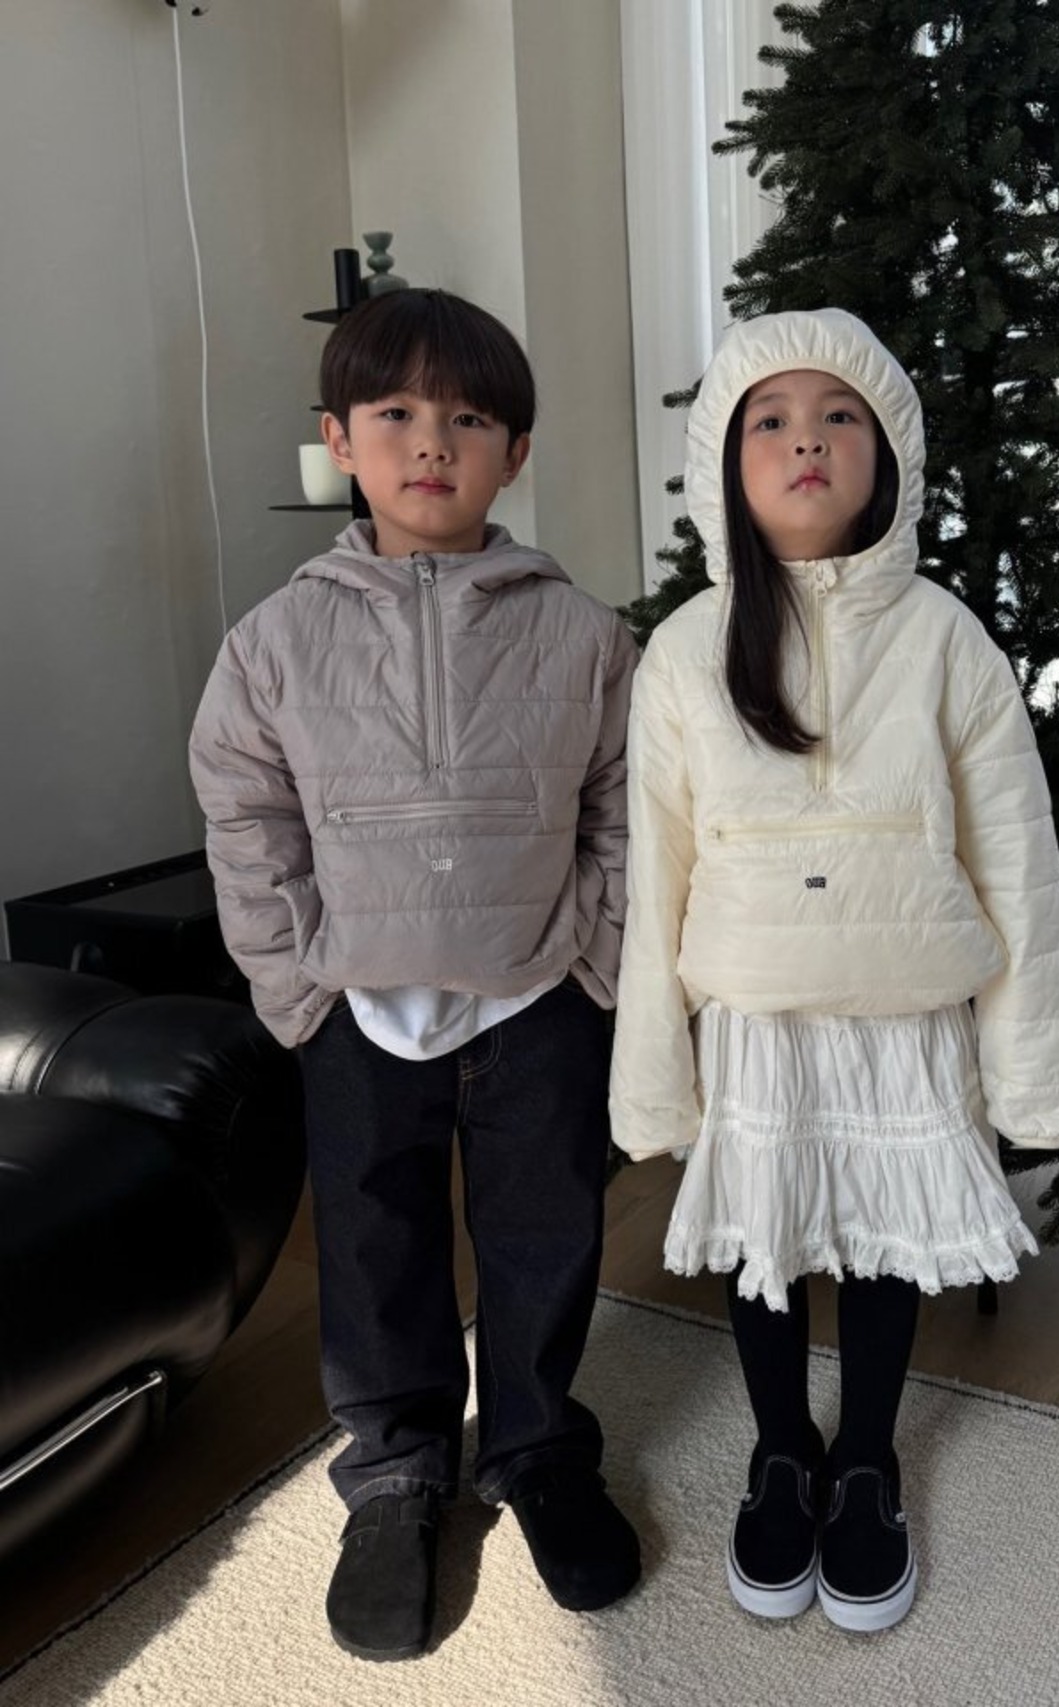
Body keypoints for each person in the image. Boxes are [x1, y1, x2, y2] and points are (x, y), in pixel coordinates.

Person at [610, 308, 1059, 1634]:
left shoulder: (946, 639)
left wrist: (1034, 1075)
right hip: (755, 1016)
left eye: (838, 417)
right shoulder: (686, 650)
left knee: (883, 1240)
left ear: (890, 456)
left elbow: (1018, 863)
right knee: (763, 1238)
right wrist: (653, 1079)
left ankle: (866, 1457)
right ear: (725, 462)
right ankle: (782, 1451)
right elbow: (656, 876)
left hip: (905, 1009)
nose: (805, 441)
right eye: (769, 420)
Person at [190, 288, 641, 1662]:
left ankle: (537, 1445)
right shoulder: (275, 641)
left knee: (544, 1228)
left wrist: (599, 957)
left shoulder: (583, 633)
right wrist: (294, 983)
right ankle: (394, 1471)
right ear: (339, 439)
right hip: (357, 1003)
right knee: (374, 1241)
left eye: (470, 417)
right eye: (395, 412)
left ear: (516, 452)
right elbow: (245, 811)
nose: (431, 440)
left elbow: (629, 804)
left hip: (537, 993)